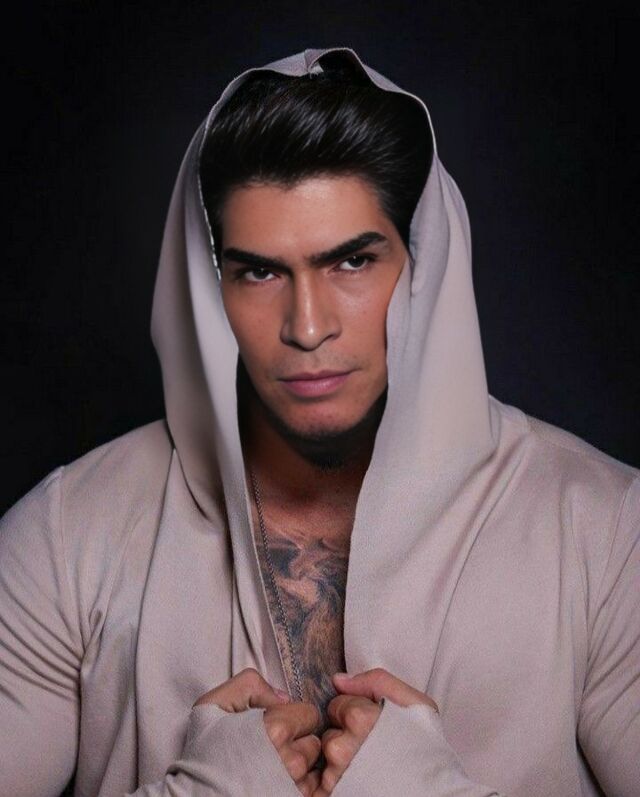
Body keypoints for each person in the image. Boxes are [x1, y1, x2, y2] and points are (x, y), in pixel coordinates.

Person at [0, 46, 638, 797]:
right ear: (211, 288)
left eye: (352, 263)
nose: (307, 326)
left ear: (422, 265)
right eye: (260, 271)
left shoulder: (606, 533)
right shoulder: (67, 535)